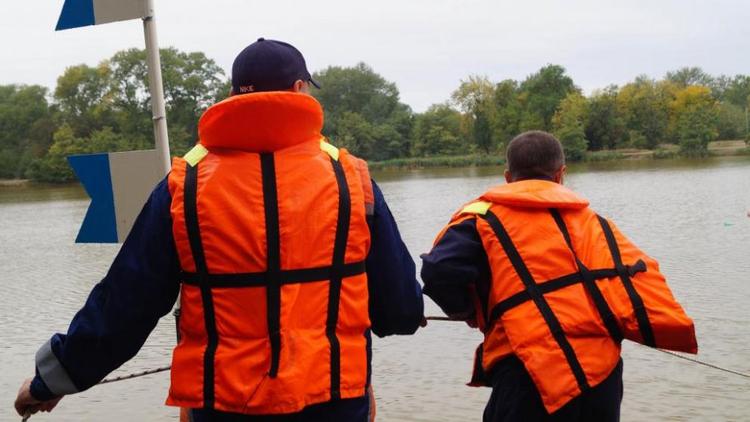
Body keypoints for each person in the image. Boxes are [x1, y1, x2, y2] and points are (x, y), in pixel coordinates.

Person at [14, 38, 424, 421]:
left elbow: (124, 305)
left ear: (233, 96)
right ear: (299, 88)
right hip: (334, 402)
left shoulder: (184, 186)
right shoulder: (351, 179)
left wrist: (53, 379)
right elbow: (400, 310)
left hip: (223, 405)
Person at [421, 131, 697, 422]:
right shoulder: (594, 222)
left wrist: (466, 311)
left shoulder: (481, 217)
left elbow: (439, 271)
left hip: (527, 372)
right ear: (561, 175)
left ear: (507, 177)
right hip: (600, 375)